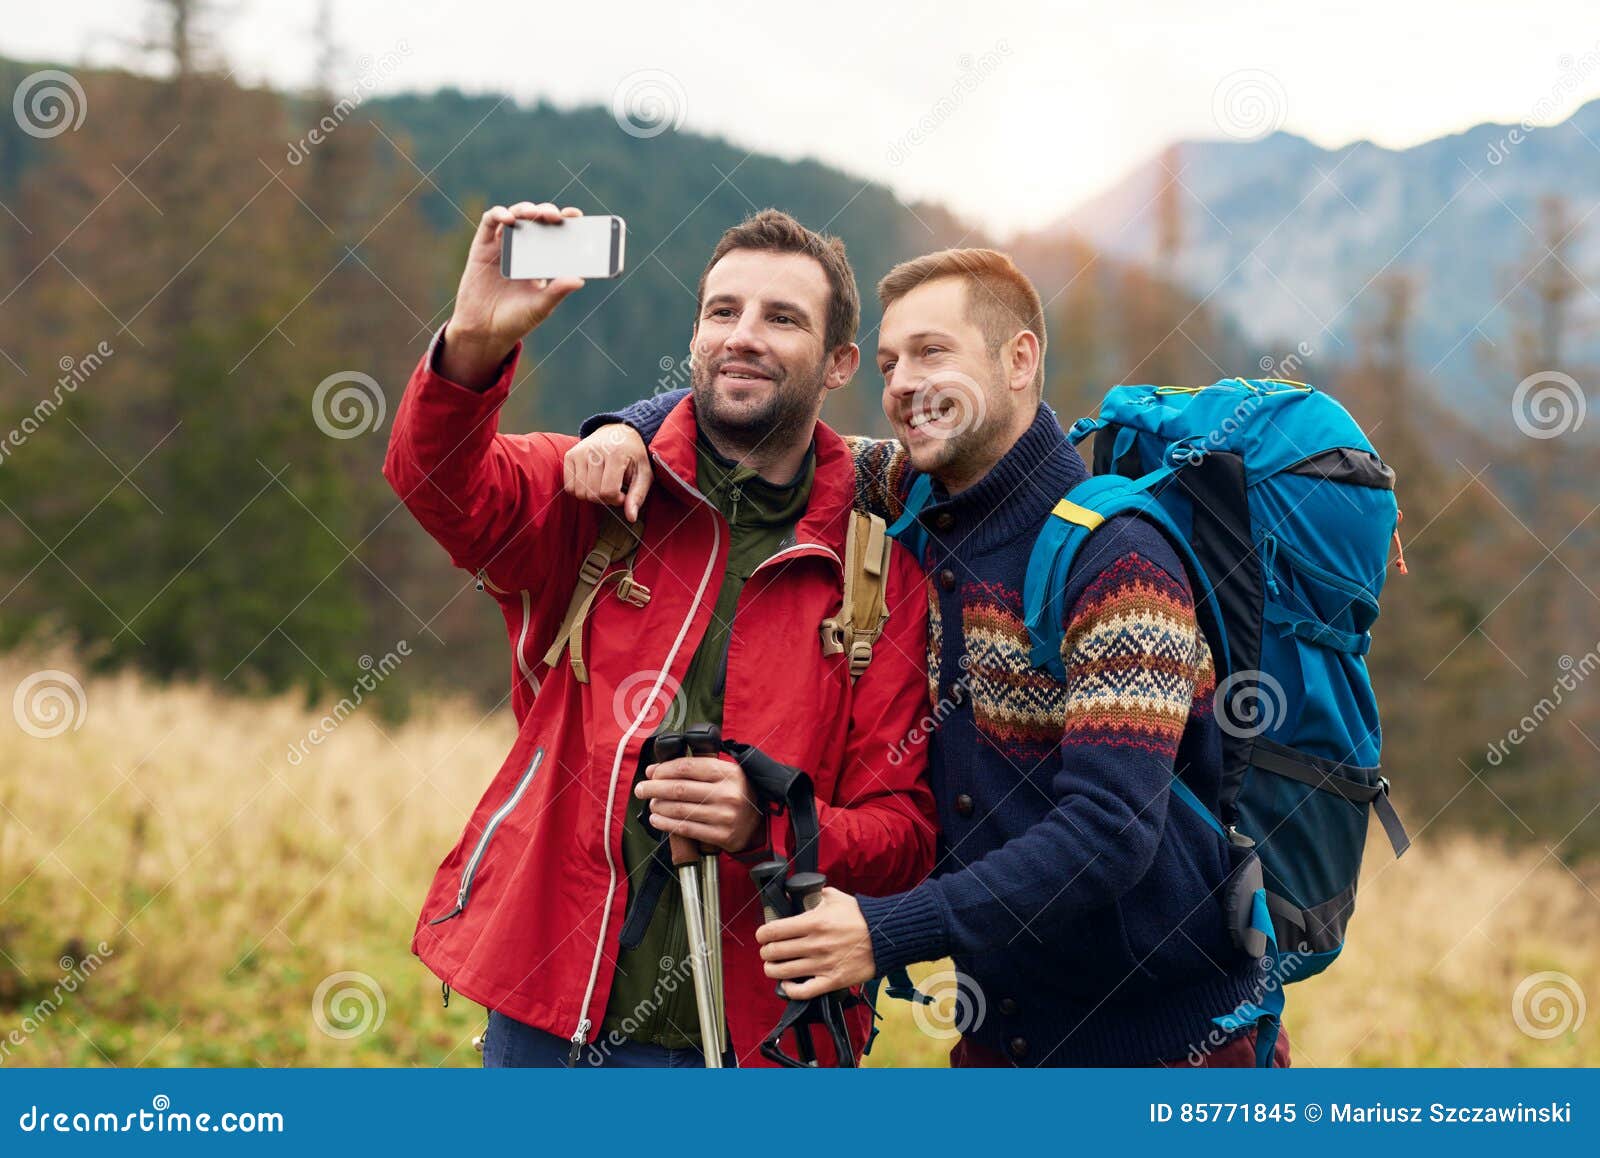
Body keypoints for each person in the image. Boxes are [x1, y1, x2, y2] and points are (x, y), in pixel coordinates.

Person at [568, 247, 1289, 1067]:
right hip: (999, 1042)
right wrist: (626, 427)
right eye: (888, 361)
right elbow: (765, 416)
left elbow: (1109, 831)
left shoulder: (1119, 560)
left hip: (1167, 1049)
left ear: (1019, 361)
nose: (904, 382)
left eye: (932, 352)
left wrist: (884, 930)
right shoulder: (907, 491)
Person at [385, 203, 936, 1067]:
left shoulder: (875, 572)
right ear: (695, 336)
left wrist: (770, 822)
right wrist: (473, 344)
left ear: (838, 365)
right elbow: (436, 481)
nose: (743, 336)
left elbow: (902, 836)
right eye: (723, 312)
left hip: (765, 1043)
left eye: (781, 318)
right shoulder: (597, 499)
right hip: (550, 1018)